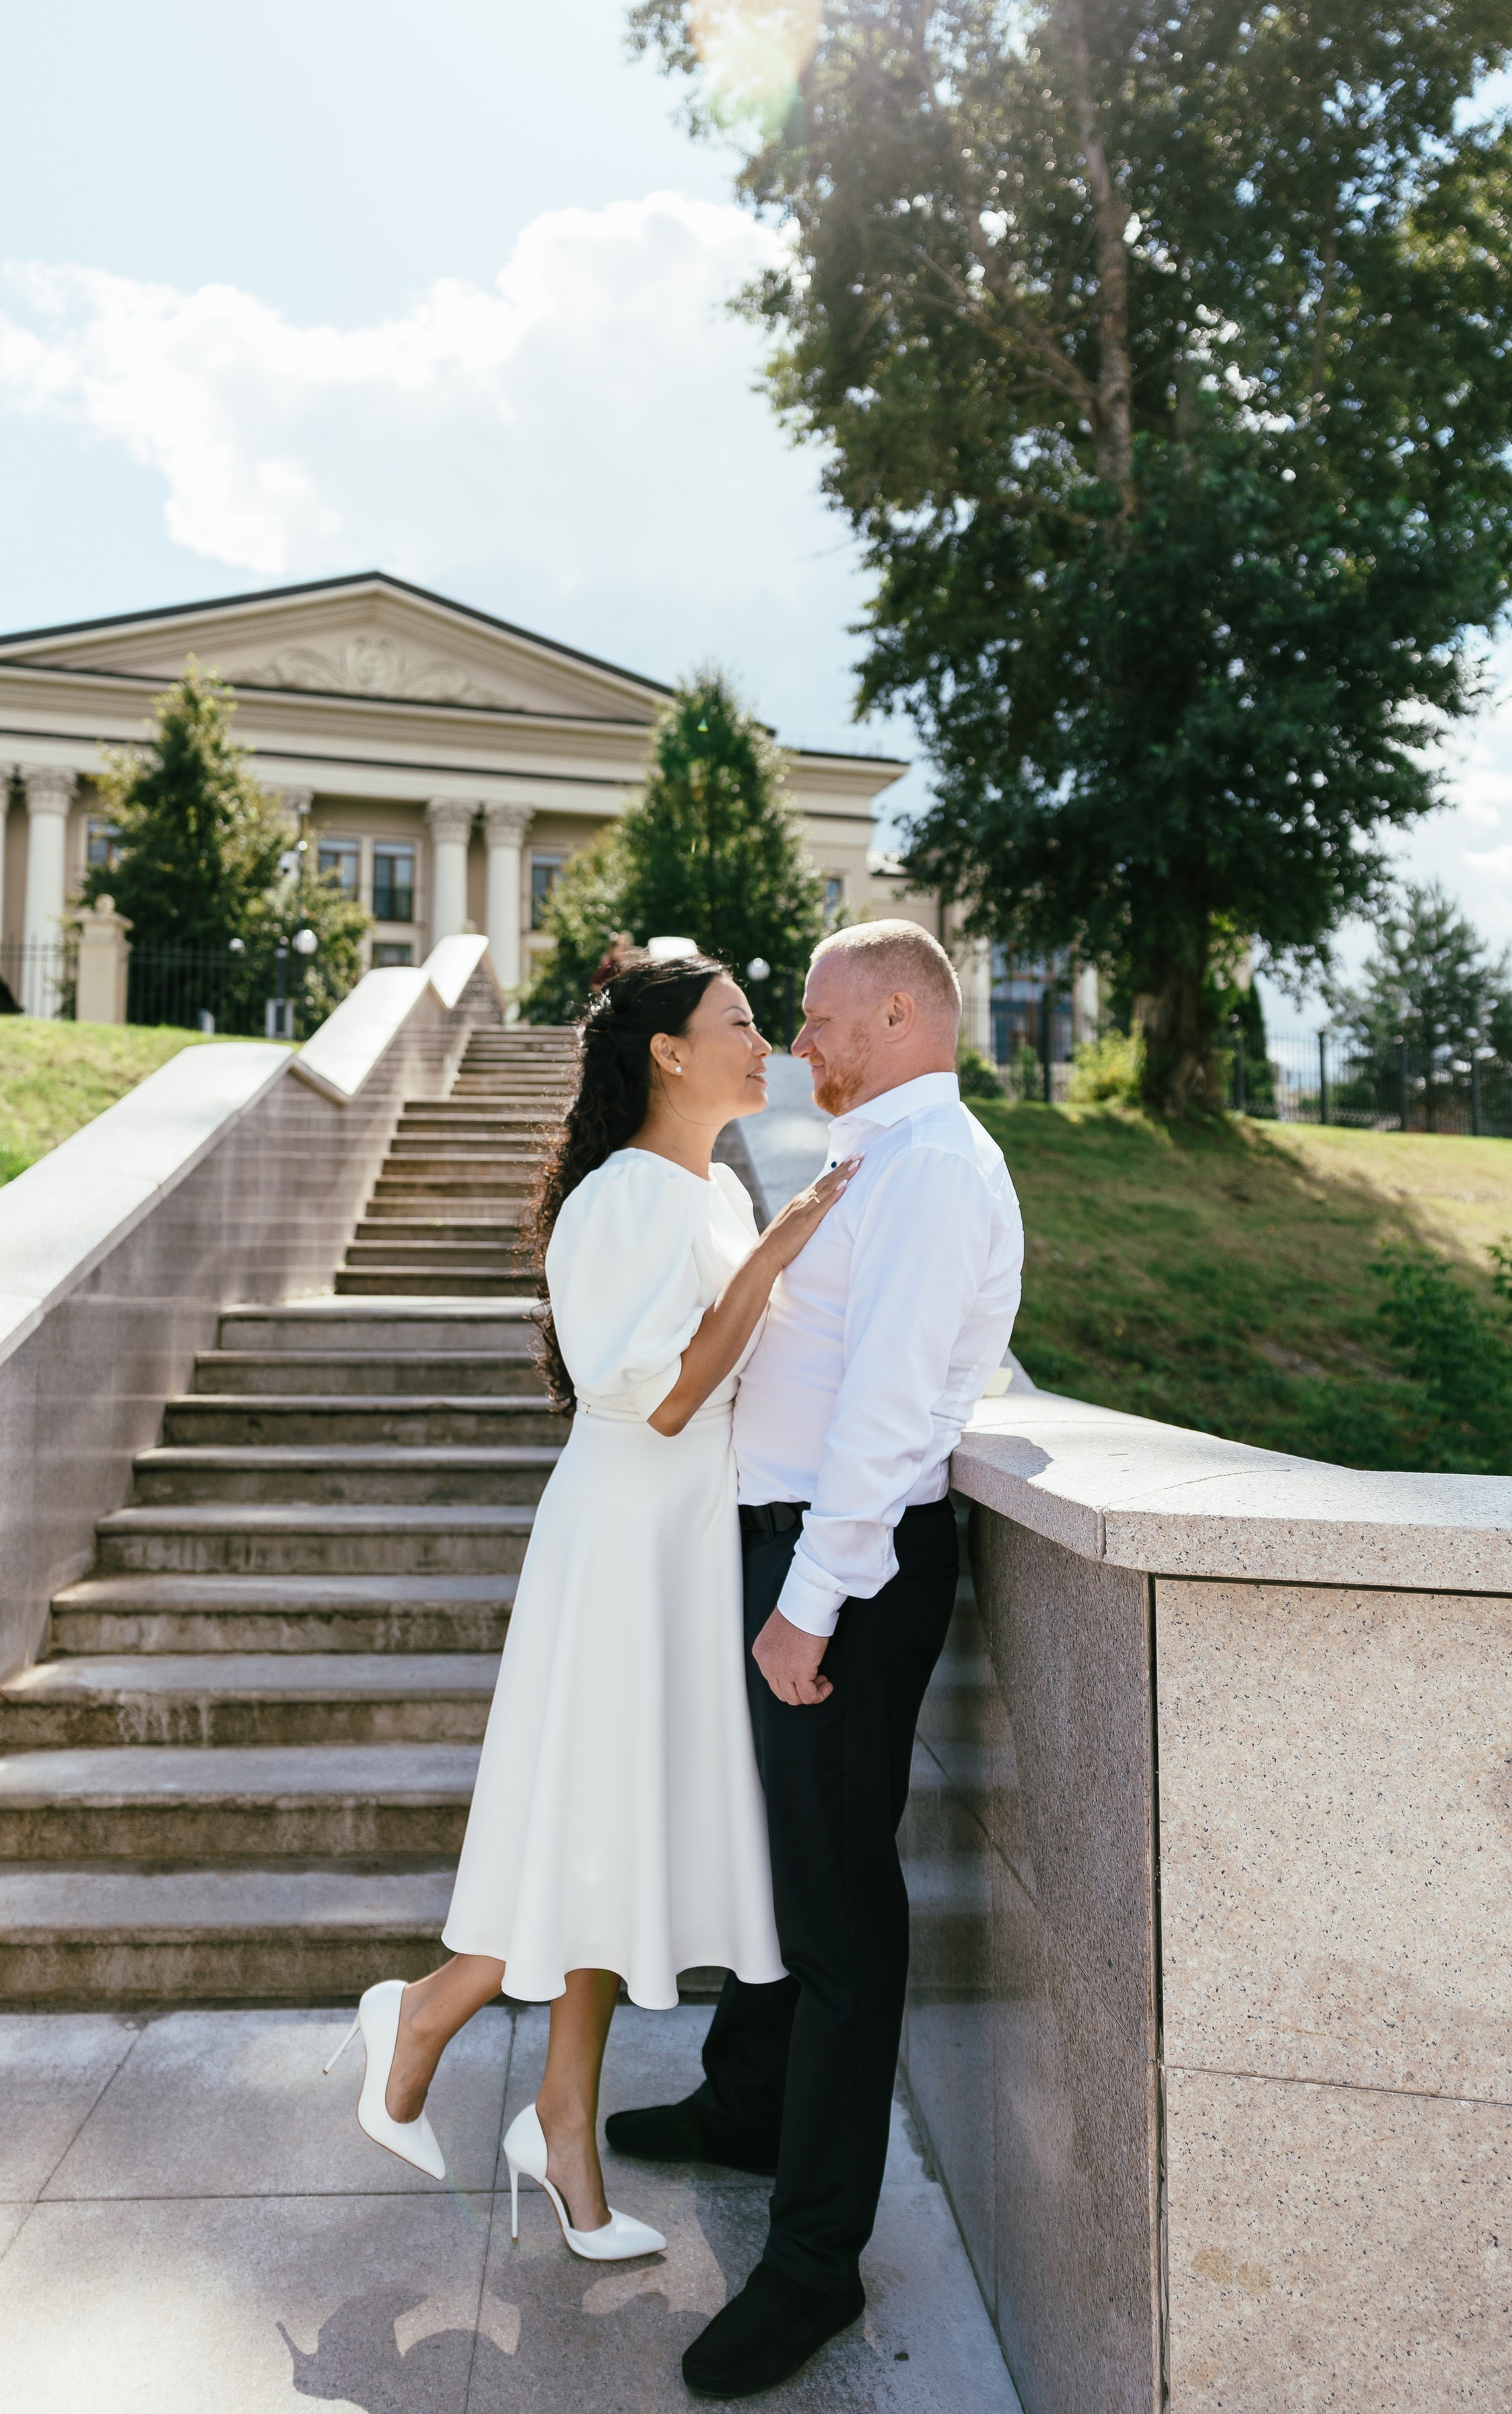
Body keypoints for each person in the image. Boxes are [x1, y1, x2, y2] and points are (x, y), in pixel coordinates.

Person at [325, 954, 858, 2261]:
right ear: (669, 1053)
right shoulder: (623, 1197)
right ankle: (436, 2017)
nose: (763, 1045)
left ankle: (556, 2118)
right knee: (589, 1820)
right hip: (625, 1530)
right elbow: (662, 1395)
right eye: (738, 1024)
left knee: (612, 1833)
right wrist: (779, 1253)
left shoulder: (716, 1186)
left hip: (685, 1536)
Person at [606, 920, 1025, 2399]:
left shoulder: (938, 1170)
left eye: (817, 1013)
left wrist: (810, 1599)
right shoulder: (874, 1159)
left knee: (841, 1911)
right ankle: (742, 2103)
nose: (795, 1040)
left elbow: (897, 1416)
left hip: (838, 1570)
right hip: (786, 1550)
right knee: (784, 1865)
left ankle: (810, 2265)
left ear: (900, 1011)